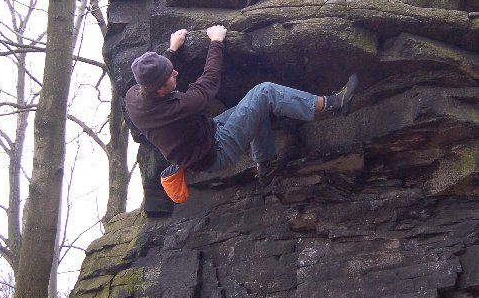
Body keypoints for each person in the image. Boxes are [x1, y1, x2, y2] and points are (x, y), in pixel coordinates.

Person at [125, 25, 358, 184]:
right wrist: (216, 42)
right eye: (171, 76)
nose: (175, 72)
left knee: (256, 109)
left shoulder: (135, 97)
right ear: (158, 90)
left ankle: (265, 165)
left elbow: (156, 75)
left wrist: (171, 50)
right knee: (264, 92)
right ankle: (333, 104)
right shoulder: (178, 107)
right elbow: (208, 82)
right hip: (216, 152)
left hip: (206, 134)